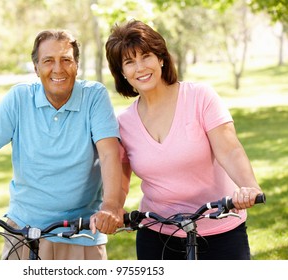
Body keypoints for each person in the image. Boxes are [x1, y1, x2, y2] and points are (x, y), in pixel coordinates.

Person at [0, 29, 125, 260]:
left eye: (66, 60)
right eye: (48, 61)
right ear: (36, 68)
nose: (58, 69)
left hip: (83, 232)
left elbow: (109, 154)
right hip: (23, 230)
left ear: (77, 65)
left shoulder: (94, 96)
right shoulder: (19, 99)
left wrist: (110, 206)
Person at [105, 19, 264, 260]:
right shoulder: (124, 123)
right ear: (123, 73)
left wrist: (249, 187)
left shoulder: (200, 97)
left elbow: (230, 150)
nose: (140, 67)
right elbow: (120, 180)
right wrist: (114, 208)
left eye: (146, 56)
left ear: (161, 58)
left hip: (220, 226)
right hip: (157, 234)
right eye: (129, 62)